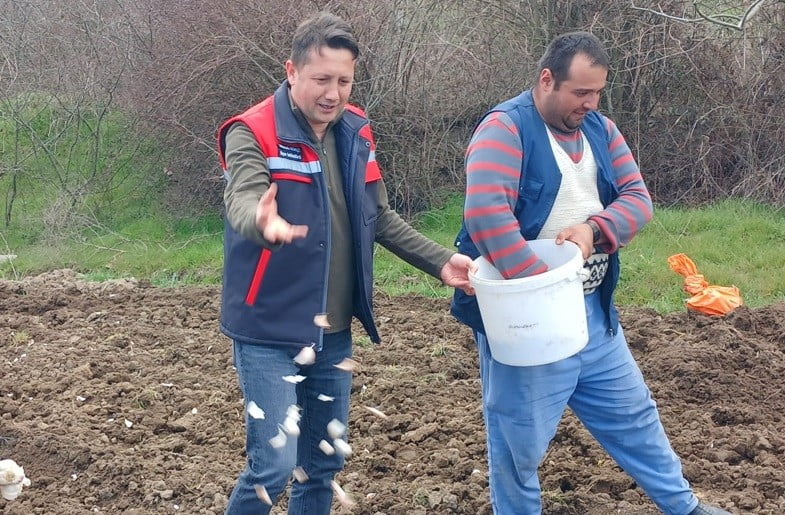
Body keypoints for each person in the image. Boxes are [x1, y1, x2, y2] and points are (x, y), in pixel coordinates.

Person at [450, 32, 732, 515]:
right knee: (518, 447)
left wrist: (595, 230)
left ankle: (685, 508)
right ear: (546, 80)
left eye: (597, 92)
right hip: (526, 320)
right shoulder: (506, 129)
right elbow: (487, 216)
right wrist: (544, 285)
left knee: (635, 417)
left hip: (594, 314)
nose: (590, 102)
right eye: (581, 92)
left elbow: (638, 200)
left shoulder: (600, 130)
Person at [216, 12, 475, 514]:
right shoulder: (253, 130)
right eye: (321, 80)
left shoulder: (356, 131)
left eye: (343, 80)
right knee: (272, 464)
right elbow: (244, 198)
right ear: (291, 71)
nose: (332, 93)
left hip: (332, 331)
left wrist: (442, 262)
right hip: (269, 328)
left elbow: (377, 218)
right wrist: (260, 221)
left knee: (322, 464)